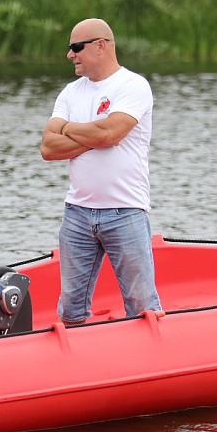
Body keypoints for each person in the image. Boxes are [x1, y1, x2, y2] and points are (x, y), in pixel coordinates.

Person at [39, 17, 162, 324]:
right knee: (69, 308)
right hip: (77, 213)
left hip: (125, 212)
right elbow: (49, 148)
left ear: (101, 46)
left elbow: (110, 134)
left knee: (141, 303)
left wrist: (70, 129)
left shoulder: (133, 86)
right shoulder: (70, 92)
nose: (70, 55)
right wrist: (95, 136)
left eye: (76, 47)